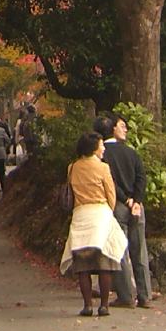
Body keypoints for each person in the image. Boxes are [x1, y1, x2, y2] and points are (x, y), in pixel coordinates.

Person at [59, 132, 128, 317]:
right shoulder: (103, 167)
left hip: (80, 216)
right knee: (104, 264)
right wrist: (108, 211)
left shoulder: (72, 167)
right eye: (101, 145)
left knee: (83, 266)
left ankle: (87, 305)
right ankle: (104, 305)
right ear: (93, 148)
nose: (103, 148)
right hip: (100, 215)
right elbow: (111, 195)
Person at [96, 113, 151, 308]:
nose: (125, 129)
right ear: (113, 129)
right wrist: (137, 200)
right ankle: (145, 295)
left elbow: (109, 182)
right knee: (139, 250)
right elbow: (141, 177)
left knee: (119, 250)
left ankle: (126, 295)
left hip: (117, 205)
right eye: (122, 125)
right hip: (137, 207)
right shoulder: (131, 152)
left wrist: (126, 200)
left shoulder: (103, 155)